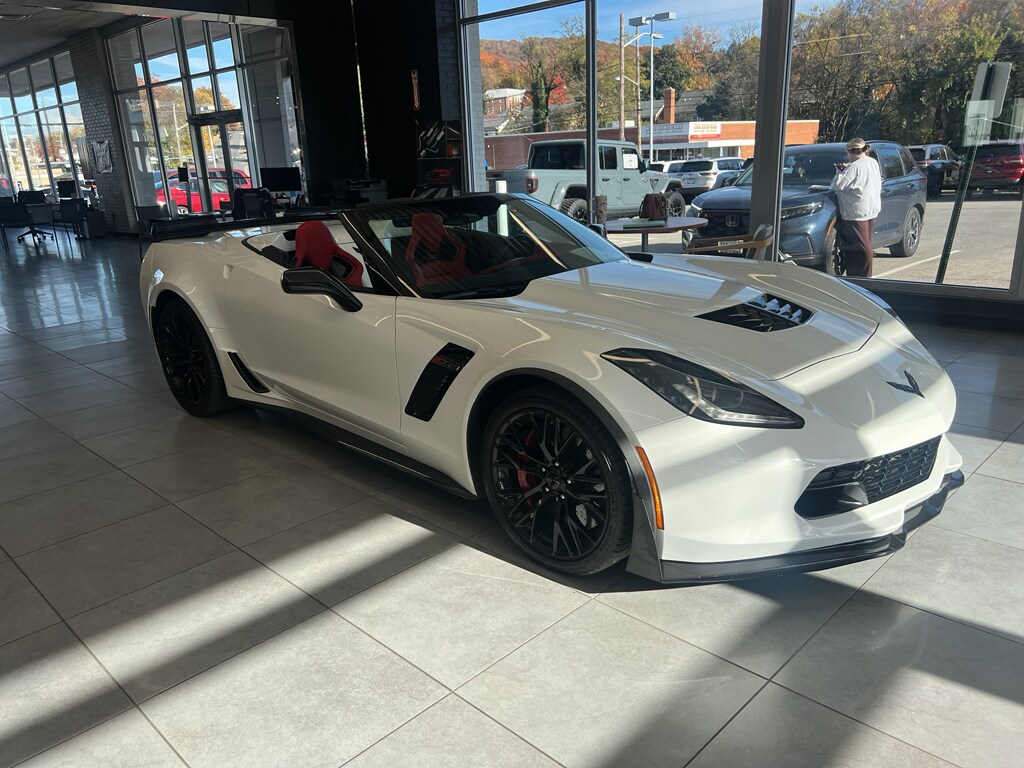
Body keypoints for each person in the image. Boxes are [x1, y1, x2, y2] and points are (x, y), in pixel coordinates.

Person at [831, 137, 881, 277]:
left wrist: (839, 171)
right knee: (866, 244)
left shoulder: (855, 166)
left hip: (856, 211)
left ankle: (863, 276)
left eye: (847, 153)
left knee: (860, 248)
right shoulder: (872, 162)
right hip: (872, 209)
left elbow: (837, 185)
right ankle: (860, 275)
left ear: (851, 152)